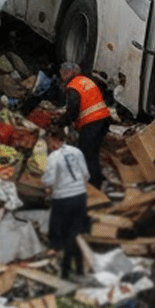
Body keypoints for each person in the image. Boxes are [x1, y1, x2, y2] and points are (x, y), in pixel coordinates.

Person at [42, 127, 90, 279]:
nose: (49, 145)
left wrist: (48, 188)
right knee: (75, 233)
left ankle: (65, 270)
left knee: (62, 233)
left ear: (54, 140)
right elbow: (85, 175)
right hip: (80, 197)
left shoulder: (54, 157)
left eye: (49, 142)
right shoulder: (77, 152)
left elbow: (48, 181)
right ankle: (80, 268)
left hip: (63, 199)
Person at [55, 62, 109, 190]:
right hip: (104, 118)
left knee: (87, 153)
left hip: (92, 122)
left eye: (63, 73)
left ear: (68, 73)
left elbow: (73, 110)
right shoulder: (85, 80)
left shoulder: (73, 86)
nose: (62, 76)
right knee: (93, 152)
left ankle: (95, 185)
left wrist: (61, 123)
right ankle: (99, 179)